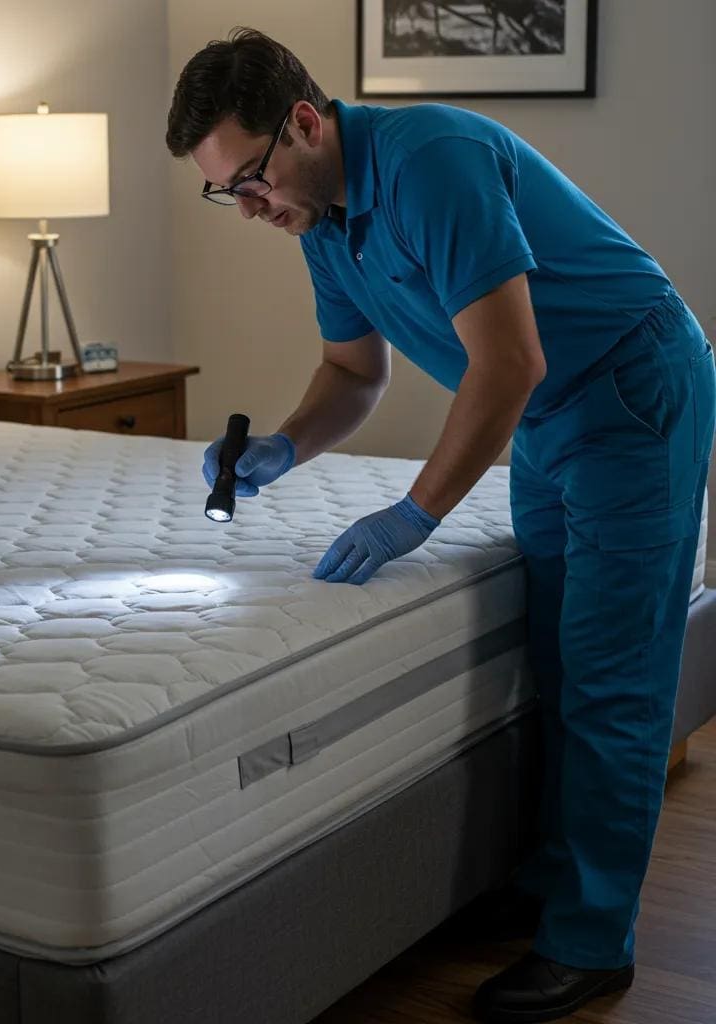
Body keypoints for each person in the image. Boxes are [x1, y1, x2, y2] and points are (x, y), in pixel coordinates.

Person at [166, 27, 715, 1024]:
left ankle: (591, 944)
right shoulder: (321, 216)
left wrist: (412, 514)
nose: (249, 210)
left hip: (629, 388)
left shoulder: (428, 160)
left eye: (249, 180)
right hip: (550, 412)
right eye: (226, 196)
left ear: (302, 123)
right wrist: (282, 449)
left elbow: (506, 363)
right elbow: (350, 373)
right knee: (558, 656)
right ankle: (553, 883)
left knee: (610, 676)